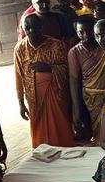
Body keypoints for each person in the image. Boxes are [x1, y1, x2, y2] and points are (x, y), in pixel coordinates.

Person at [14, 13, 76, 148]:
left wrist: (49, 68)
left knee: (61, 127)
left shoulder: (56, 45)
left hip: (57, 95)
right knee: (39, 134)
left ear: (41, 27)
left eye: (35, 27)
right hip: (34, 98)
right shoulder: (20, 48)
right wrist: (20, 103)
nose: (31, 31)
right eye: (27, 28)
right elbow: (18, 76)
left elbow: (66, 69)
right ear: (24, 29)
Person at [68, 18, 105, 139]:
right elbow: (74, 81)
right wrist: (77, 107)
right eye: (80, 32)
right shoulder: (74, 52)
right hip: (91, 99)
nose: (85, 35)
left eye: (88, 31)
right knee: (98, 131)